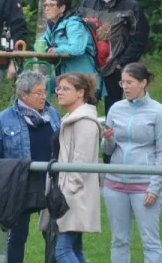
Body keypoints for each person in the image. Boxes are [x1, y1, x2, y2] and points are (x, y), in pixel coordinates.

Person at [102, 63, 162, 263]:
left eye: (129, 82)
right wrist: (107, 138)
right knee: (118, 240)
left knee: (150, 241)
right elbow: (107, 150)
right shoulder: (115, 108)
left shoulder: (159, 112)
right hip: (114, 184)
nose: (125, 87)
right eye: (122, 82)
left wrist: (155, 188)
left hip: (144, 186)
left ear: (143, 83)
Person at [0, 70, 61, 263]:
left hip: (49, 184)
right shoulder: (4, 118)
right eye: (38, 92)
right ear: (23, 95)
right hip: (19, 185)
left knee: (52, 235)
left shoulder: (53, 114)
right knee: (17, 237)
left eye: (44, 91)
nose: (43, 96)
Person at [76, 0, 149, 116]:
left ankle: (112, 140)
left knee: (114, 112)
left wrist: (122, 63)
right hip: (89, 66)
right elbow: (75, 31)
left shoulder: (131, 6)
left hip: (115, 67)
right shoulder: (86, 3)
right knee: (85, 110)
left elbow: (139, 40)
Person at [49, 72, 102, 263]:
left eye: (65, 89)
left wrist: (67, 190)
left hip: (74, 195)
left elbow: (81, 163)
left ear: (80, 92)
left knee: (62, 250)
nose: (59, 93)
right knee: (74, 248)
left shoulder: (86, 122)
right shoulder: (71, 118)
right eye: (58, 88)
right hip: (69, 194)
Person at [38, 0, 103, 94]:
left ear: (62, 8)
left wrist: (56, 50)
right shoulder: (53, 26)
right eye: (45, 5)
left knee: (40, 87)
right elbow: (40, 43)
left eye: (51, 5)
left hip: (86, 78)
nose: (46, 8)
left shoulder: (74, 24)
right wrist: (48, 49)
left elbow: (77, 49)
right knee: (38, 87)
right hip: (69, 77)